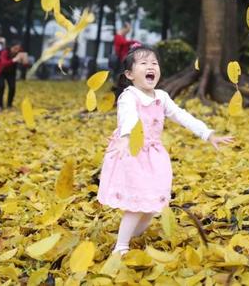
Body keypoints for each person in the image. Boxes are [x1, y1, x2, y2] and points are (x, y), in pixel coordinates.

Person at [97, 44, 234, 255]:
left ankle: (133, 235)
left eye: (154, 63)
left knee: (152, 204)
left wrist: (208, 134)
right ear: (130, 74)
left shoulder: (161, 96)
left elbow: (181, 115)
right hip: (132, 152)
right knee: (136, 205)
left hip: (153, 156)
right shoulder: (129, 96)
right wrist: (125, 137)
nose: (151, 66)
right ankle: (121, 246)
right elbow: (128, 118)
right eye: (143, 63)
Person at [0, 43, 27, 110]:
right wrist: (14, 59)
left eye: (18, 49)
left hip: (11, 73)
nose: (16, 50)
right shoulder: (4, 52)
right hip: (1, 71)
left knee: (12, 87)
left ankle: (9, 105)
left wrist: (25, 60)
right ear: (11, 47)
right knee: (1, 86)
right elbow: (4, 63)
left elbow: (25, 64)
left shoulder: (19, 52)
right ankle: (0, 106)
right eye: (15, 48)